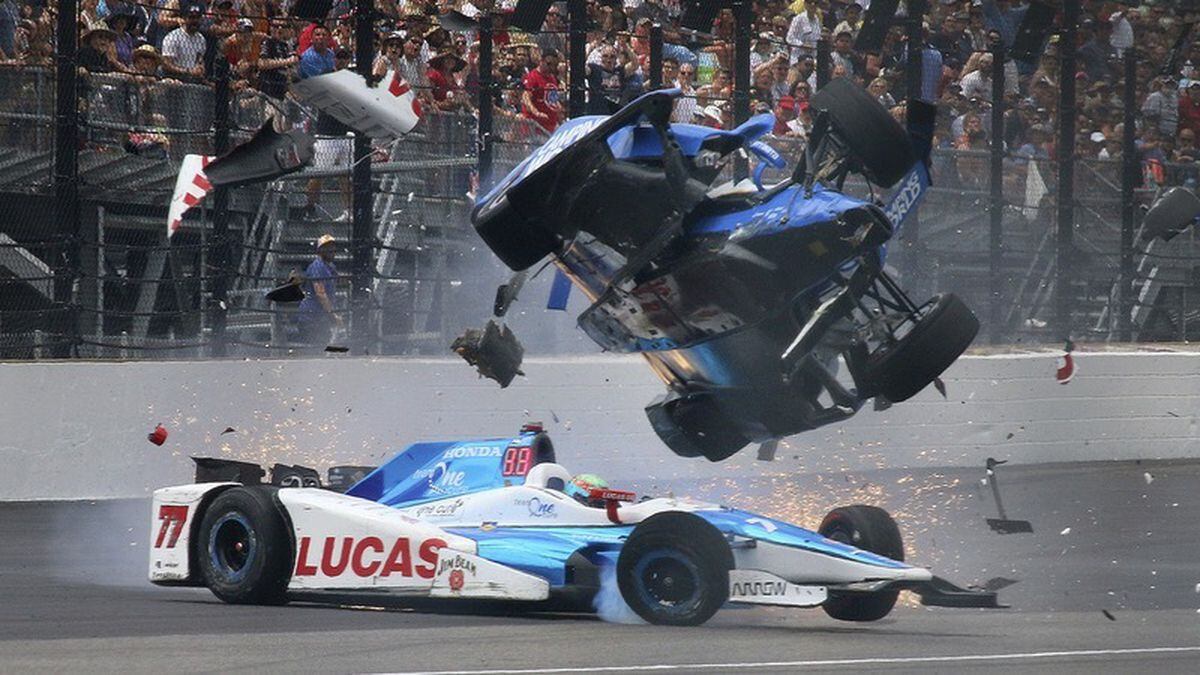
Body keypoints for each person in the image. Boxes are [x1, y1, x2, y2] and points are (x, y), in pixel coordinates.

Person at [297, 234, 343, 347]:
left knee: (324, 347)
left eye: (332, 246)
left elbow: (338, 280)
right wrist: (333, 315)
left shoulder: (330, 266)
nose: (331, 250)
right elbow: (320, 294)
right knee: (317, 349)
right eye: (326, 247)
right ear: (320, 250)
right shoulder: (318, 267)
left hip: (320, 317)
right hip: (311, 318)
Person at [160, 5, 207, 81]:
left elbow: (199, 59)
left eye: (197, 18)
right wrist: (188, 71)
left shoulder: (201, 39)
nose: (195, 21)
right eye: (191, 17)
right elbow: (166, 65)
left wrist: (201, 68)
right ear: (184, 18)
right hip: (175, 79)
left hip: (193, 79)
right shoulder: (173, 37)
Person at [522, 48, 563, 133]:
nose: (551, 67)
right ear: (541, 61)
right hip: (536, 128)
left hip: (550, 126)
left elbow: (552, 100)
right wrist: (536, 112)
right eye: (549, 64)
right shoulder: (533, 76)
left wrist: (561, 120)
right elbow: (525, 97)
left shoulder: (552, 78)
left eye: (554, 65)